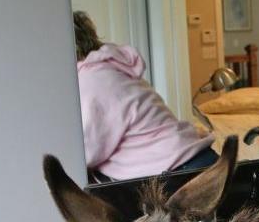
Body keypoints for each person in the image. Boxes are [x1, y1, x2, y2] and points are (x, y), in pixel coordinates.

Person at [73, 11, 217, 181]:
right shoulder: (111, 70)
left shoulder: (92, 80)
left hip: (177, 172)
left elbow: (87, 153)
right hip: (195, 159)